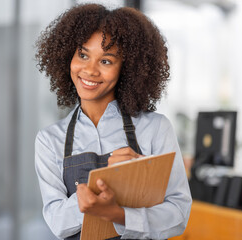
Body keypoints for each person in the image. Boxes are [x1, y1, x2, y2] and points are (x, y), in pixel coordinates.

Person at [34, 3, 192, 240]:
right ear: (68, 55)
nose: (89, 70)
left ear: (126, 69)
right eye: (83, 54)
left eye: (106, 61)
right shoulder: (50, 140)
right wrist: (100, 185)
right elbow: (58, 223)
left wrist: (119, 214)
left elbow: (178, 214)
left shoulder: (155, 129)